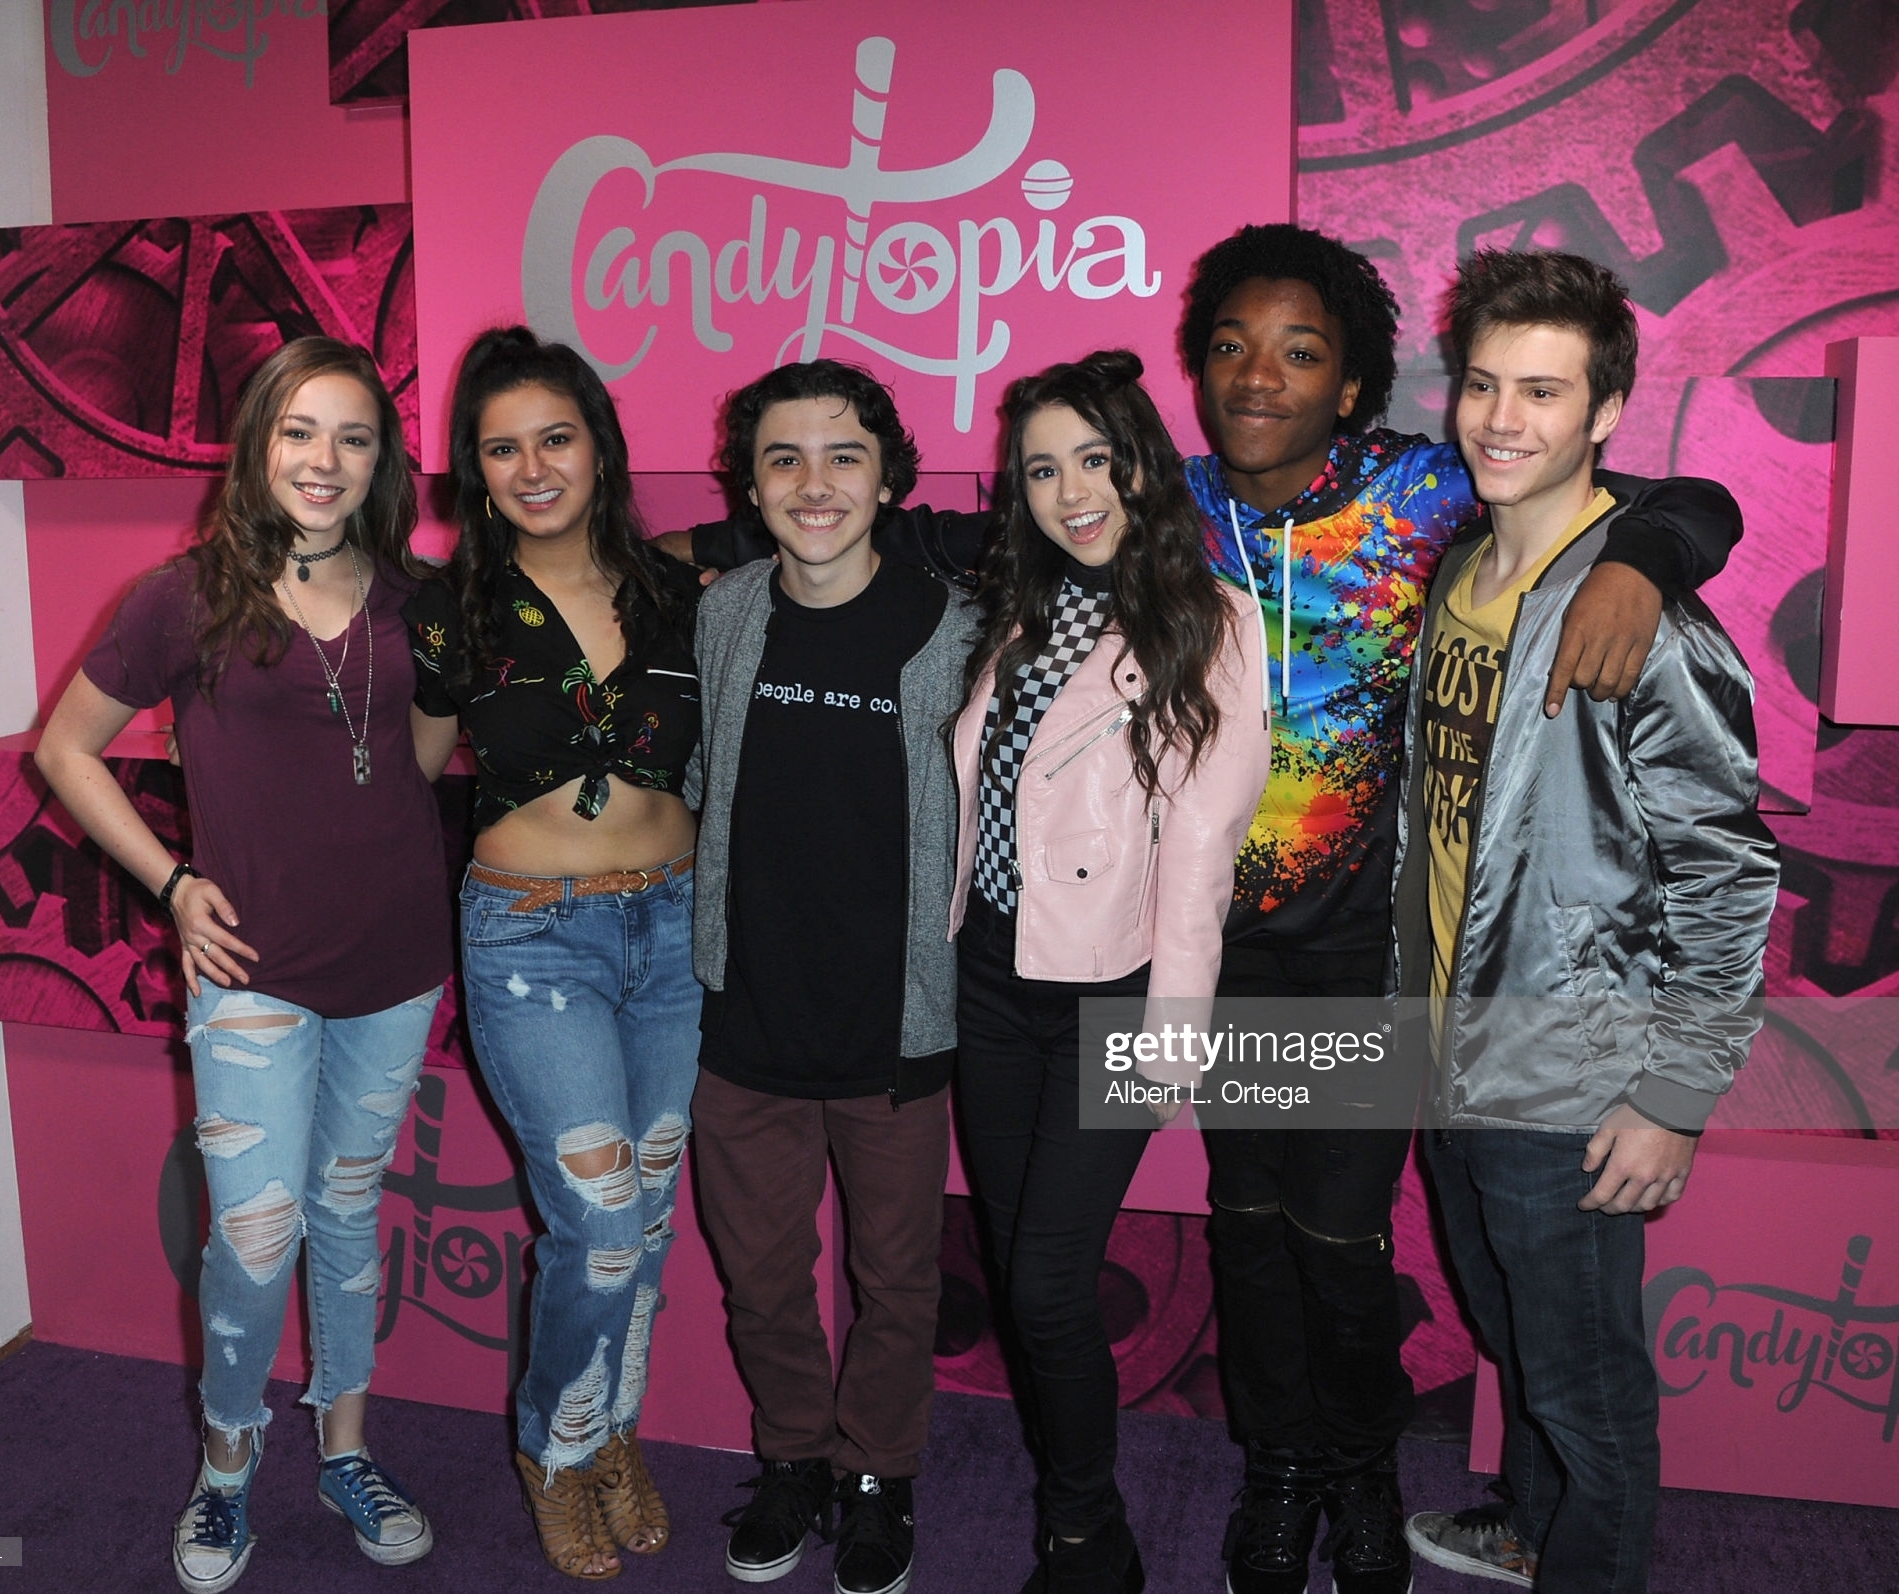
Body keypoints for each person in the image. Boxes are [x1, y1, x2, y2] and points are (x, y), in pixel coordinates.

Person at [674, 223, 1744, 1594]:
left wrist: (1642, 556)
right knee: (1246, 1225)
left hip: (1355, 959)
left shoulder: (1430, 489)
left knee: (1338, 1241)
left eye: (1299, 351)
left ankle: (1360, 1474)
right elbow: (918, 523)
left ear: (1351, 381)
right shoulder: (1159, 498)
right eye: (1232, 346)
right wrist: (683, 543)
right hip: (1218, 953)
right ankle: (1280, 1470)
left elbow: (1677, 497)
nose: (1258, 376)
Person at [36, 337, 450, 1593]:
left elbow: (418, 760)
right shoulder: (183, 596)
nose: (325, 460)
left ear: (381, 462)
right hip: (252, 970)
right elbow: (65, 750)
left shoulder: (417, 597)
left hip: (396, 960)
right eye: (299, 431)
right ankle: (226, 1465)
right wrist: (172, 884)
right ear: (259, 443)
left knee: (347, 1212)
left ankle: (345, 1449)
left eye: (353, 437)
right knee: (255, 1237)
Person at [1398, 249, 1776, 1593]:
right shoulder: (1458, 569)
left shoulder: (1640, 616)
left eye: (1542, 391)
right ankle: (1529, 1524)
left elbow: (1724, 869)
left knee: (1584, 1381)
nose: (1501, 419)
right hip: (1442, 1044)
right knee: (1513, 1329)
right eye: (1483, 384)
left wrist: (1673, 1092)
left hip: (1569, 1064)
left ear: (1604, 412)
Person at [949, 350, 1269, 1594]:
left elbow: (1201, 851)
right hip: (990, 979)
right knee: (1017, 1262)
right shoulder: (1019, 610)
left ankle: (1085, 1532)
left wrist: (1172, 1035)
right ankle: (1074, 1504)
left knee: (1044, 1281)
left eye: (1094, 459)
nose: (1070, 491)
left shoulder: (1211, 620)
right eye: (1040, 469)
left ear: (1141, 465)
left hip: (1114, 996)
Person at [404, 327, 704, 1582]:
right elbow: (409, 774)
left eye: (555, 438)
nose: (532, 467)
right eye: (501, 448)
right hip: (532, 941)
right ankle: (553, 1442)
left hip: (674, 931)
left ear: (599, 447)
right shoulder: (449, 611)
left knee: (651, 1215)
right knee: (600, 1224)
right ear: (474, 471)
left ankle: (611, 1429)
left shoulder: (680, 587)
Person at [688, 359, 973, 1594]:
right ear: (749, 487)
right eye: (784, 459)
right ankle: (795, 1456)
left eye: (844, 456)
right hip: (742, 1017)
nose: (815, 484)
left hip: (894, 1027)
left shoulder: (955, 627)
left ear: (889, 478)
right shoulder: (723, 616)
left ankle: (877, 1471)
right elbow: (701, 784)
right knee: (760, 1281)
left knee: (895, 1280)